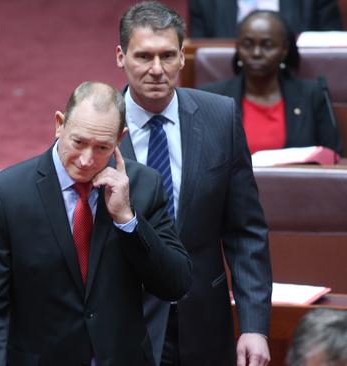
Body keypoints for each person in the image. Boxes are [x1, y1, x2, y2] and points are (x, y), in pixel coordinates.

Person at [0, 81, 192, 365]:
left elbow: (175, 283)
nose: (86, 160)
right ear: (59, 124)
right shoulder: (7, 195)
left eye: (102, 147)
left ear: (120, 139)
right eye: (79, 142)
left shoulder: (143, 186)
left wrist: (127, 220)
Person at [115, 2, 272, 365]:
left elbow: (246, 231)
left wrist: (254, 325)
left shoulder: (221, 117)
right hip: (123, 324)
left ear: (183, 57)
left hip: (203, 321)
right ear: (121, 56)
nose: (157, 69)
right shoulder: (95, 126)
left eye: (168, 55)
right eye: (144, 56)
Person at [199, 10, 342, 154]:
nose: (256, 53)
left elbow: (332, 156)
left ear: (284, 49)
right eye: (247, 45)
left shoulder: (312, 95)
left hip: (296, 177)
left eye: (267, 45)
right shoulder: (211, 98)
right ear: (238, 47)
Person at [188, 0, 343, 38]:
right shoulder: (206, 3)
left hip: (298, 87)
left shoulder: (313, 3)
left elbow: (330, 53)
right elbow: (198, 58)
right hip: (226, 89)